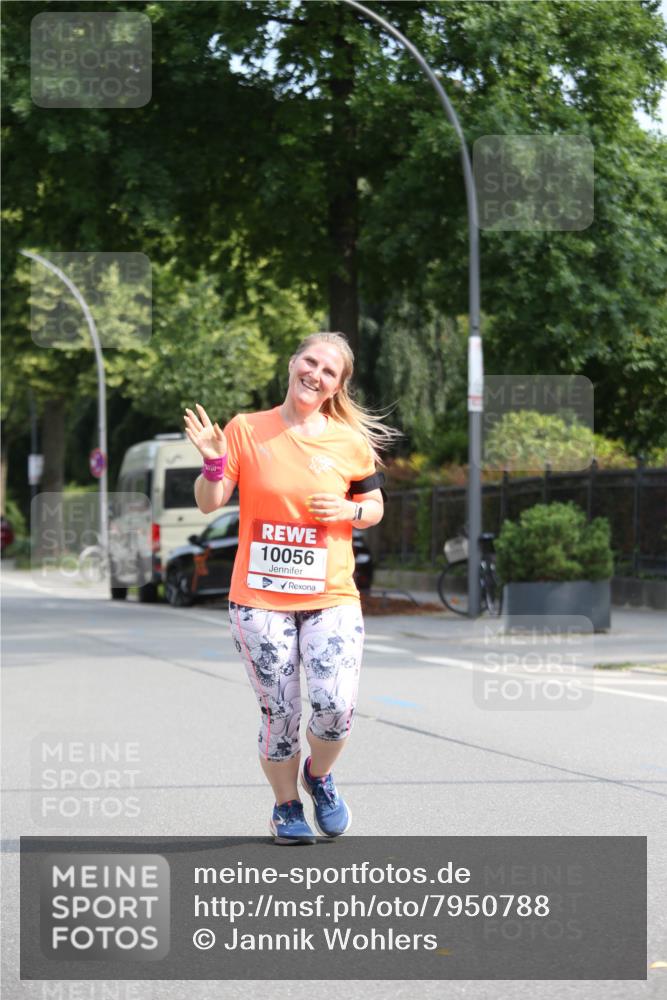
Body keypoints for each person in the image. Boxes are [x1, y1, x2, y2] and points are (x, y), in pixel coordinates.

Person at [184, 332, 397, 845]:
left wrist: (350, 510)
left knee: (335, 707)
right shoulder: (244, 429)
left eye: (329, 371)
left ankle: (319, 777)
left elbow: (374, 507)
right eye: (310, 361)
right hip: (260, 599)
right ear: (292, 363)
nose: (315, 374)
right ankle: (286, 808)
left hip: (331, 596)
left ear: (337, 386)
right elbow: (210, 502)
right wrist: (214, 460)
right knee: (281, 712)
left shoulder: (348, 441)